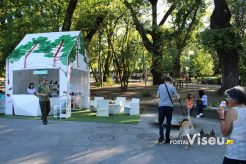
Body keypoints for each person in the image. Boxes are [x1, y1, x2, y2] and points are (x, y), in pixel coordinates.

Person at [218, 86, 246, 164]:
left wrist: (221, 116)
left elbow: (224, 132)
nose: (226, 100)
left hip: (234, 155)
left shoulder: (233, 111)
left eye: (228, 98)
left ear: (235, 100)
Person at [156, 76, 180, 143]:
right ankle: (167, 138)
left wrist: (162, 96)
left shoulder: (160, 86)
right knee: (168, 123)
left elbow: (157, 96)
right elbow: (178, 97)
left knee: (160, 122)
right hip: (169, 107)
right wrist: (177, 97)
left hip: (161, 106)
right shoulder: (173, 87)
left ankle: (161, 136)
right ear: (170, 81)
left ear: (165, 81)